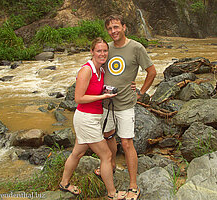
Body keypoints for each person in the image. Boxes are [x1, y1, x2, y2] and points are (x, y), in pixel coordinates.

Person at [94, 14, 157, 200]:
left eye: (116, 27)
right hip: (106, 103)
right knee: (108, 136)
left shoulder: (136, 47)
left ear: (124, 27)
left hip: (125, 105)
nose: (113, 31)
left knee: (127, 143)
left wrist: (141, 92)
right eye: (110, 29)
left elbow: (152, 72)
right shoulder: (107, 48)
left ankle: (133, 185)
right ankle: (111, 164)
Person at [59, 37, 127, 200]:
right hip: (86, 119)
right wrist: (103, 96)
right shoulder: (86, 70)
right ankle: (112, 193)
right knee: (106, 156)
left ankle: (64, 183)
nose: (102, 54)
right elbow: (78, 98)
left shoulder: (101, 70)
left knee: (77, 153)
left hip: (94, 117)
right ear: (91, 52)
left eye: (105, 51)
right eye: (99, 51)